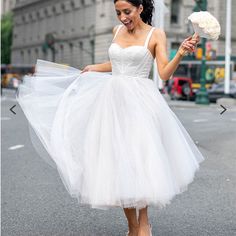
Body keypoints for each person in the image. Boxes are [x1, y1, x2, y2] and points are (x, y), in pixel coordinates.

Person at [16, 0, 204, 236]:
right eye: (118, 13)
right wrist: (96, 67)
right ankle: (132, 226)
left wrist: (182, 53)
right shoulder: (116, 31)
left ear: (140, 9)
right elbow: (118, 63)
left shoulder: (156, 35)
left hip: (141, 103)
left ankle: (143, 222)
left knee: (140, 159)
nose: (122, 17)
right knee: (118, 161)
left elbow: (164, 73)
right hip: (112, 103)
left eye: (127, 11)